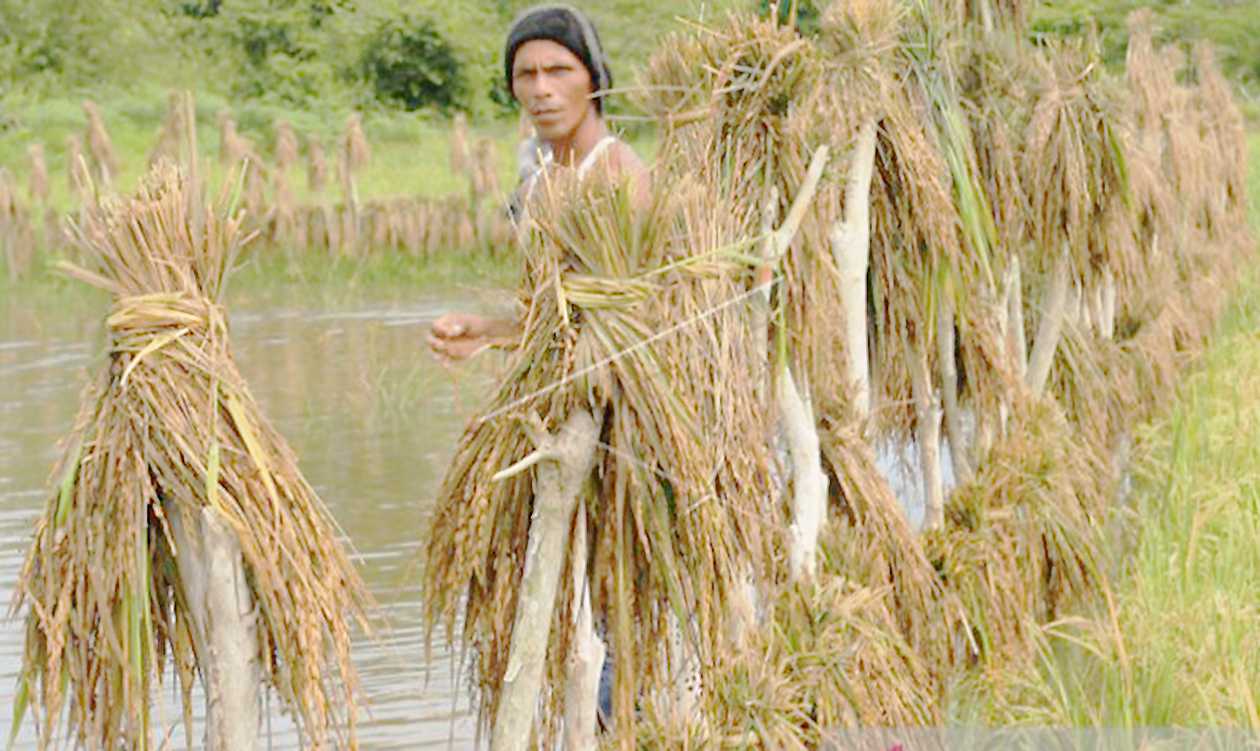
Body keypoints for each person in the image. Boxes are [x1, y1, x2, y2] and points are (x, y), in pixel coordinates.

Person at [427, 3, 649, 364]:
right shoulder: (536, 183)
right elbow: (550, 320)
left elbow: (625, 321)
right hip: (556, 382)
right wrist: (484, 333)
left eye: (559, 71)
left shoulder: (617, 175)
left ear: (593, 79)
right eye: (526, 74)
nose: (541, 89)